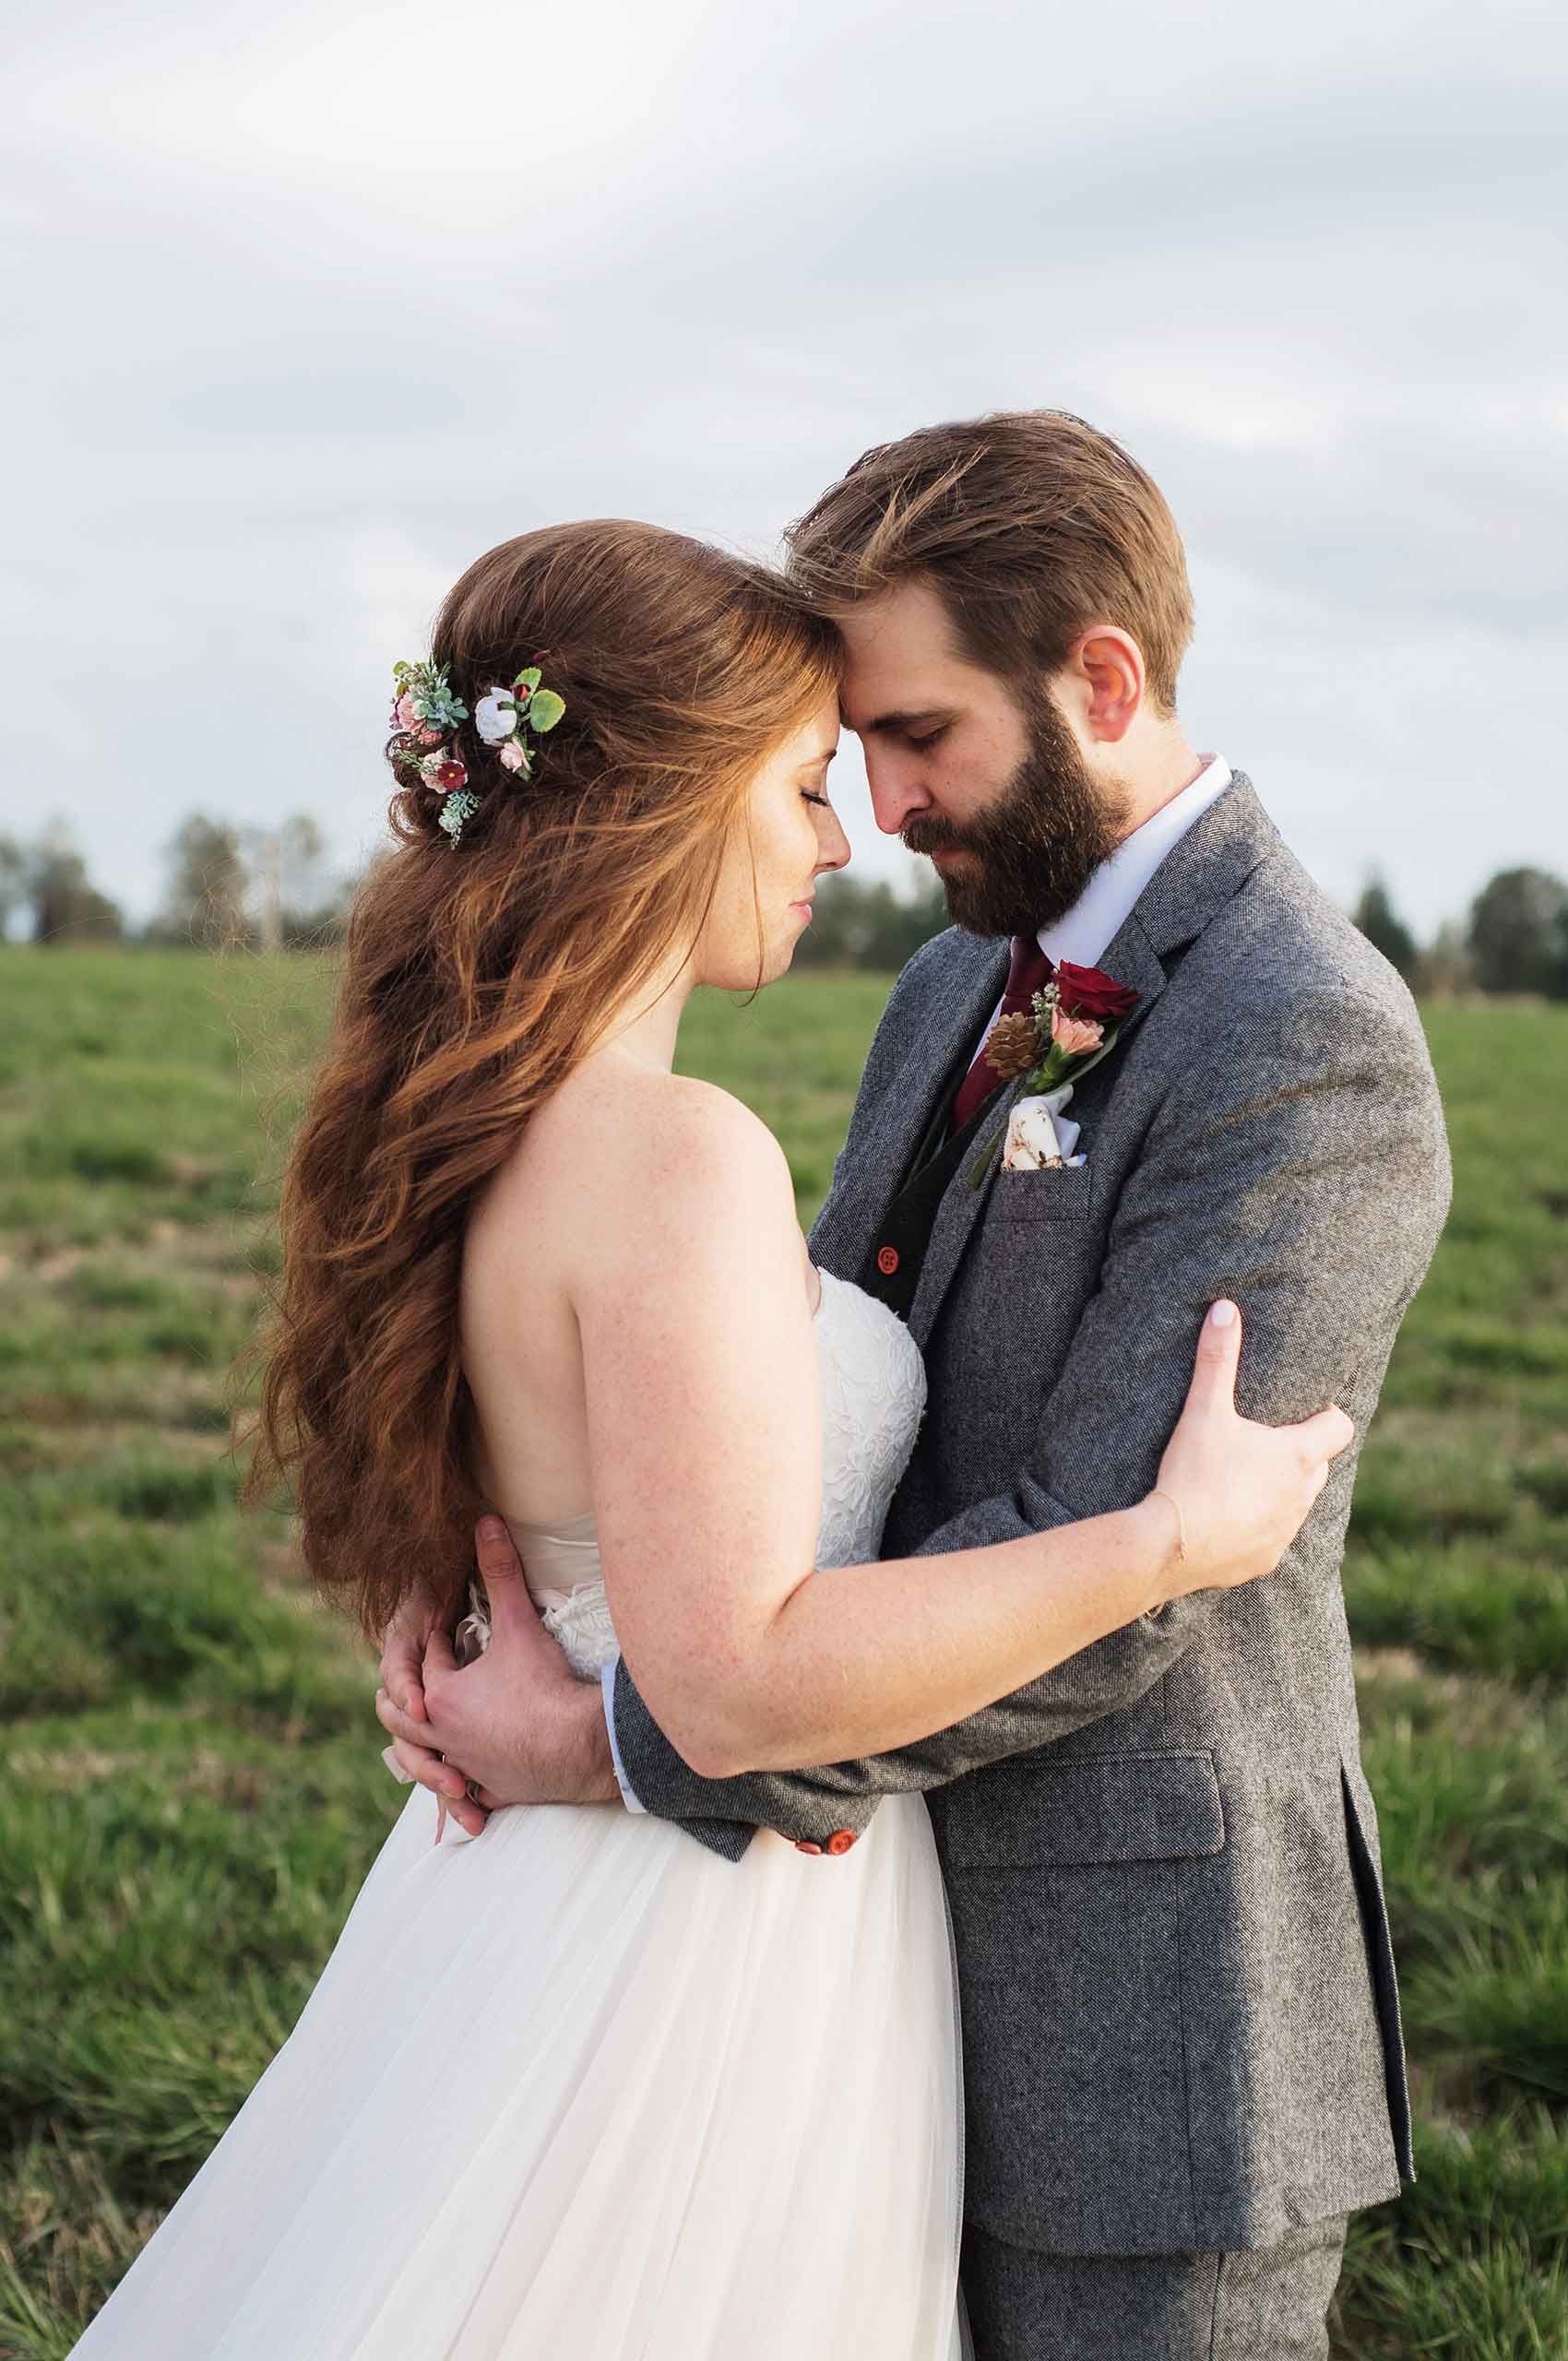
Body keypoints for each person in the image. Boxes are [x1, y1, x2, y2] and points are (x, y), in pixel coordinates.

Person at [68, 516, 1348, 2361]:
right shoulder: (673, 1156)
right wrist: (1165, 1540)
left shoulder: (485, 1117)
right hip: (696, 1946)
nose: (845, 836)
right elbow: (737, 1679)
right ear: (657, 806)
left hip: (536, 1883)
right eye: (806, 783)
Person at [380, 420, 1453, 2361]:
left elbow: (1125, 1570)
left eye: (917, 735)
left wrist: (612, 1740)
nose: (876, 805)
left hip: (1140, 2021)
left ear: (1099, 680)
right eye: (846, 752)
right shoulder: (953, 980)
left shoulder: (1308, 1046)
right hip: (854, 1965)